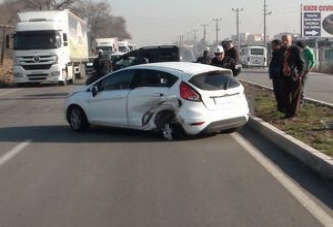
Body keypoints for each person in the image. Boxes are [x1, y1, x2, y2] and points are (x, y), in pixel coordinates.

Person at [280, 34, 305, 119]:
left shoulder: (296, 50)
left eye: (286, 40)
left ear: (291, 40)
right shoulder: (282, 50)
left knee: (295, 96)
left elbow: (302, 63)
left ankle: (294, 114)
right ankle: (288, 113)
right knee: (285, 95)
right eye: (283, 40)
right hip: (284, 76)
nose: (284, 42)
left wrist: (300, 75)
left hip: (294, 76)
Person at [269, 39, 285, 113]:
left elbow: (281, 65)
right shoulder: (275, 53)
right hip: (275, 76)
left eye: (273, 45)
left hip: (280, 76)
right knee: (277, 93)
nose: (272, 47)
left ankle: (283, 108)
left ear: (278, 45)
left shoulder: (281, 53)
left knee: (281, 93)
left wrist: (277, 72)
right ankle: (280, 108)